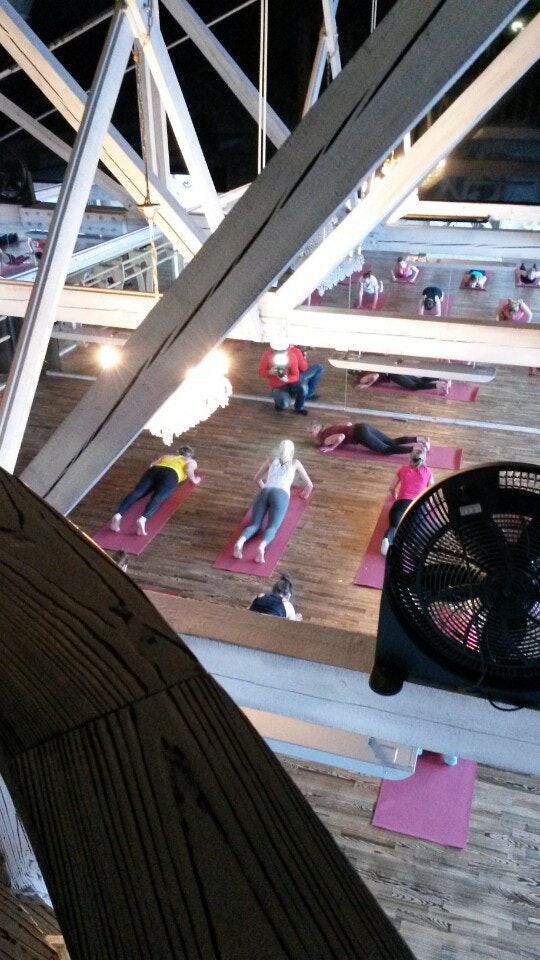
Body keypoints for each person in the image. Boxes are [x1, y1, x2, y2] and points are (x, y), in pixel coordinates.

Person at [233, 440, 313, 563]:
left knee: (254, 524)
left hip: (265, 491)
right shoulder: (296, 463)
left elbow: (256, 478)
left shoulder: (270, 460)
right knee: (272, 527)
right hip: (281, 494)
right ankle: (261, 547)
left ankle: (240, 542)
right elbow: (309, 485)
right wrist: (305, 495)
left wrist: (265, 489)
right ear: (292, 451)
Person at [110, 445, 200, 536]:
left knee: (138, 492)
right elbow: (188, 470)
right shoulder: (191, 461)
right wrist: (194, 480)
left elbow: (151, 465)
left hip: (154, 470)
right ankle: (143, 518)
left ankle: (118, 514)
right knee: (158, 497)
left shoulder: (167, 456)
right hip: (171, 475)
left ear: (178, 452)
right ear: (191, 455)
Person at [380, 447, 433, 556]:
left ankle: (387, 539)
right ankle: (410, 548)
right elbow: (431, 491)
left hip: (401, 504)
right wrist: (428, 504)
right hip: (419, 505)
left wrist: (395, 496)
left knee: (395, 527)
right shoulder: (428, 472)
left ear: (410, 459)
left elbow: (391, 488)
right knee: (414, 530)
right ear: (424, 460)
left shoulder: (403, 469)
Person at [258, 339, 319, 414]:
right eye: (277, 351)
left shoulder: (292, 355)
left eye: (283, 351)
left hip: (291, 383)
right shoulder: (267, 355)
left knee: (303, 388)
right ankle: (280, 402)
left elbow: (296, 375)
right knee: (285, 403)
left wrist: (288, 379)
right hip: (278, 386)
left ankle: (299, 407)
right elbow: (261, 372)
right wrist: (270, 372)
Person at [309, 420, 430, 455]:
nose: (310, 434)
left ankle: (417, 449)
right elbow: (348, 423)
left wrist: (331, 448)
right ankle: (420, 439)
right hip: (362, 425)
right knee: (391, 441)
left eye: (311, 432)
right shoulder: (330, 427)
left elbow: (341, 437)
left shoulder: (325, 439)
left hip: (360, 434)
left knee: (386, 450)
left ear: (317, 429)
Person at [355, 370, 450, 396]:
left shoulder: (361, 378)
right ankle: (441, 379)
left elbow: (375, 376)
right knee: (418, 380)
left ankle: (439, 385)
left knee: (414, 386)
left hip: (393, 375)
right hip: (394, 371)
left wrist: (366, 385)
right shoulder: (365, 369)